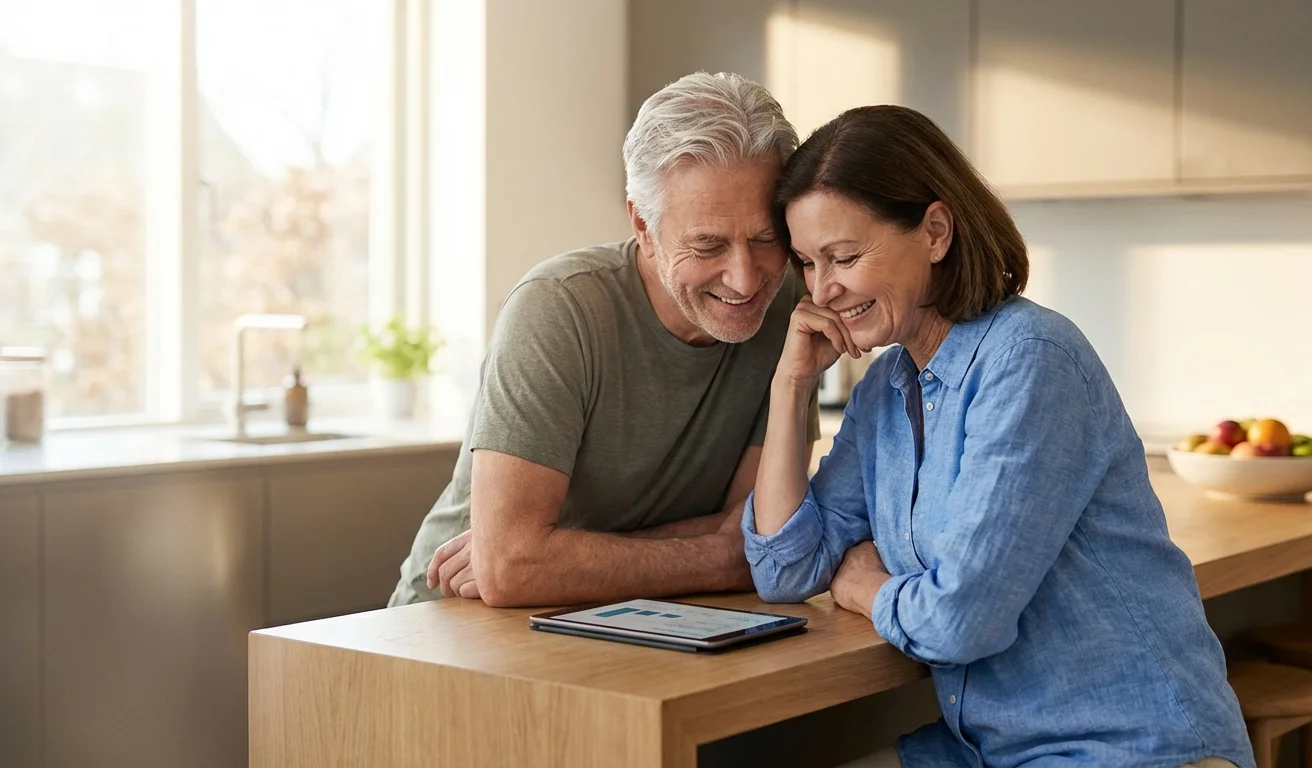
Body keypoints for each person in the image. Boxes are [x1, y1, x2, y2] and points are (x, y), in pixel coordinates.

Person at [744, 105, 1254, 768]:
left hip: (1128, 749)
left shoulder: (1031, 359)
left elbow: (961, 621)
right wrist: (791, 386)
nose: (823, 290)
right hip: (989, 752)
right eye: (808, 264)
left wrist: (864, 587)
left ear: (934, 231)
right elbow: (784, 569)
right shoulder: (887, 388)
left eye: (844, 257)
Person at [387, 72, 819, 608]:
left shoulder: (789, 313)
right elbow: (510, 569)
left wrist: (553, 558)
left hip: (625, 615)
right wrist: (713, 552)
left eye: (766, 239)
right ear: (642, 224)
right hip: (450, 624)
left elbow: (755, 545)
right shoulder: (559, 308)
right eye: (708, 246)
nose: (745, 278)